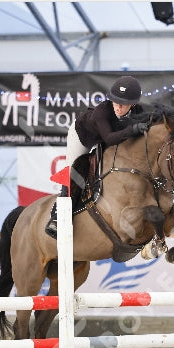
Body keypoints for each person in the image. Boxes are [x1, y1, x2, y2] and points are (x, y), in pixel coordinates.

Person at [45, 75, 148, 238]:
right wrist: (132, 130)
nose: (118, 107)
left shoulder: (139, 112)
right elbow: (109, 138)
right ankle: (57, 217)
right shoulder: (102, 111)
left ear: (133, 104)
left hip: (105, 140)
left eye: (123, 104)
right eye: (116, 102)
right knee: (73, 172)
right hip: (83, 136)